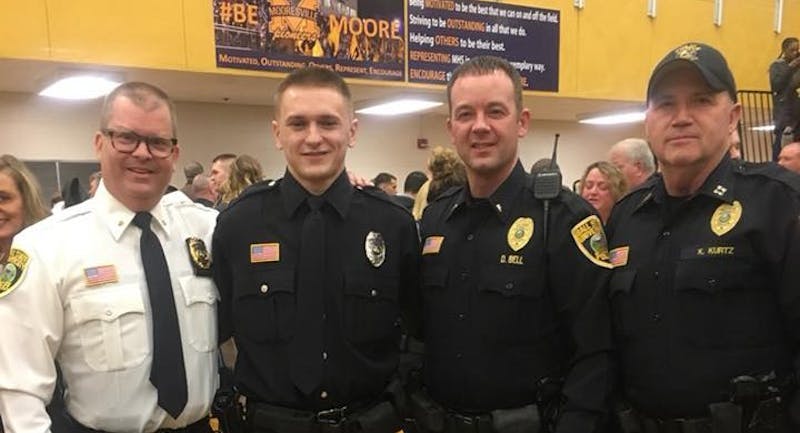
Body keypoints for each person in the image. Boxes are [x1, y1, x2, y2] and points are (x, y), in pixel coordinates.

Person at [0, 82, 219, 433]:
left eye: (158, 142)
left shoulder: (207, 231)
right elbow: (19, 389)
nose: (143, 153)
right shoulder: (47, 246)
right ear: (100, 143)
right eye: (126, 138)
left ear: (174, 155)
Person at [212, 67, 420, 433]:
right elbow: (221, 332)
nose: (313, 138)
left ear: (351, 131)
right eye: (297, 124)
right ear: (277, 133)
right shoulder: (237, 225)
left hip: (369, 422)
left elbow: (417, 329)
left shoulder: (393, 224)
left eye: (328, 122)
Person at [606, 42, 800, 432]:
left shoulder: (778, 204)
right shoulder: (626, 216)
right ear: (648, 121)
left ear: (733, 117)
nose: (681, 118)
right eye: (665, 104)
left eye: (700, 101)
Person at [414, 55, 613, 433]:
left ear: (522, 122)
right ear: (451, 127)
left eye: (495, 111)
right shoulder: (438, 218)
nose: (480, 126)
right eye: (466, 114)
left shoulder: (563, 219)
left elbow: (596, 353)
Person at [769, 37, 800, 161]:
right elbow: (776, 84)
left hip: (796, 110)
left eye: (797, 50)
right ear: (784, 50)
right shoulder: (776, 66)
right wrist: (790, 68)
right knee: (780, 142)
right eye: (792, 50)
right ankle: (775, 167)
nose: (795, 53)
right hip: (783, 110)